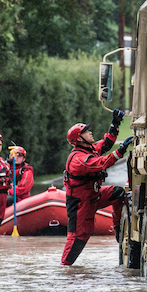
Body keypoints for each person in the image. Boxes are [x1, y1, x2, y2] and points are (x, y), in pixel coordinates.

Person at [60, 109, 132, 266]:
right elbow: (101, 164)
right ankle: (66, 270)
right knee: (79, 238)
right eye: (86, 131)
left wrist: (115, 124)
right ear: (79, 138)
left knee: (118, 193)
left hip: (93, 196)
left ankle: (119, 229)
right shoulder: (78, 159)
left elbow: (105, 144)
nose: (90, 132)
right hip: (80, 204)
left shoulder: (88, 149)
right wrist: (120, 152)